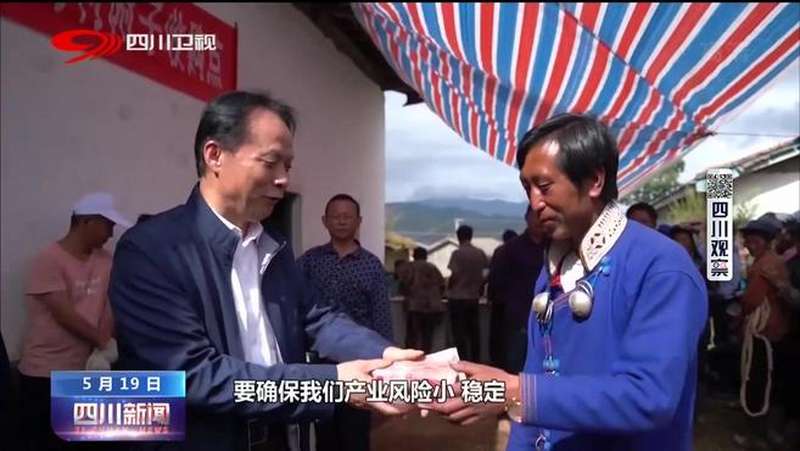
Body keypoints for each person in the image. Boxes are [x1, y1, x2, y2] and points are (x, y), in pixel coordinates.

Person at [109, 91, 420, 451]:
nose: (283, 179)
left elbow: (318, 318)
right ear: (214, 155)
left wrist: (386, 357)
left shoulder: (273, 247)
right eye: (271, 163)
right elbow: (194, 376)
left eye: (287, 166)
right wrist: (332, 384)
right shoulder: (152, 251)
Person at [425, 114, 707, 451]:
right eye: (527, 188)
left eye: (544, 187)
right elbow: (534, 384)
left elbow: (649, 397)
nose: (534, 203)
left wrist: (514, 392)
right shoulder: (555, 266)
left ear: (594, 181)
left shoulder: (662, 267)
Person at [18, 192, 130, 450]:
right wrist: (104, 342)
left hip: (89, 370)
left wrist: (104, 350)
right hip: (46, 373)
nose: (110, 234)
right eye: (107, 225)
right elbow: (63, 313)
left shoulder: (106, 260)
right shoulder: (49, 259)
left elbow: (109, 305)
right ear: (86, 222)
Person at [297, 193, 393, 451]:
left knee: (355, 434)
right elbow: (295, 305)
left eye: (347, 217)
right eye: (335, 217)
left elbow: (381, 315)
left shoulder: (371, 265)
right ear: (324, 221)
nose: (341, 221)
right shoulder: (309, 261)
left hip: (361, 364)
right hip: (319, 365)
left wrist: (386, 364)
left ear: (358, 221)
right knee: (324, 434)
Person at [734, 217, 794, 449]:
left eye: (754, 240)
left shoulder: (764, 265)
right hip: (776, 330)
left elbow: (751, 300)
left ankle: (758, 435)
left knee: (759, 381)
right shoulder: (775, 261)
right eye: (748, 240)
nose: (749, 245)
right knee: (771, 382)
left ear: (767, 242)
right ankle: (770, 432)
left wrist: (740, 316)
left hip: (764, 332)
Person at [487, 207, 545, 373]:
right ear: (527, 218)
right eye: (535, 216)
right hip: (519, 318)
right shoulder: (510, 249)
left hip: (549, 318)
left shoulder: (557, 247)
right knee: (516, 368)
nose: (539, 220)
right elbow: (497, 283)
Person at [446, 224, 489, 362]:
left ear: (458, 237)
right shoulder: (479, 253)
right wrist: (480, 286)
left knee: (459, 333)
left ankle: (462, 360)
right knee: (474, 332)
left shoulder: (457, 254)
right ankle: (476, 360)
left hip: (457, 298)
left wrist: (449, 287)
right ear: (471, 236)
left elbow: (454, 275)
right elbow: (486, 273)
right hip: (473, 298)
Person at [402, 247, 446, 353]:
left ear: (414, 256)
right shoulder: (432, 267)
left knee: (413, 337)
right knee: (427, 336)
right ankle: (426, 356)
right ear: (426, 256)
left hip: (415, 306)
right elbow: (442, 285)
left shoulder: (410, 267)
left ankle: (410, 358)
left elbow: (405, 284)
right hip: (432, 307)